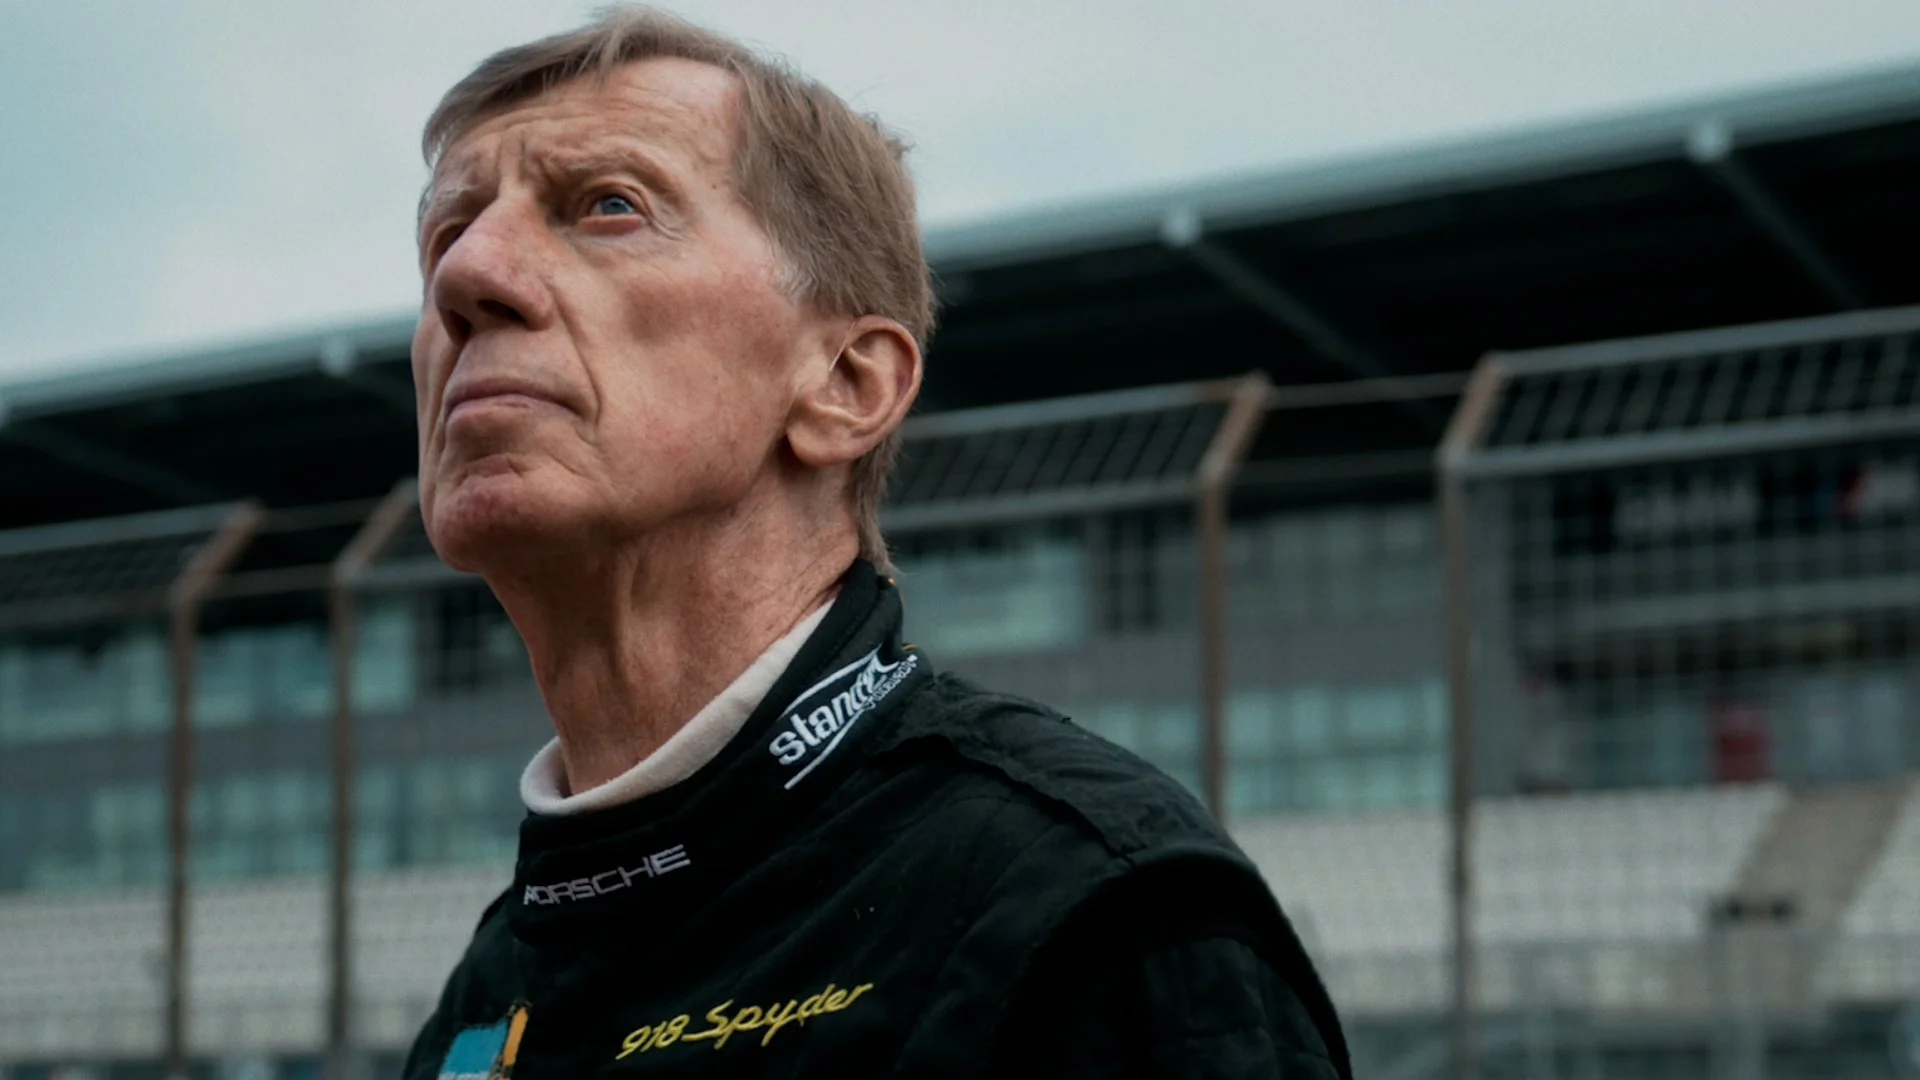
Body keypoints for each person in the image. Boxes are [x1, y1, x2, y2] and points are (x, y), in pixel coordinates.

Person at [402, 7, 1348, 1077]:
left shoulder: (1085, 909)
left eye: (609, 206)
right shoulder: (489, 990)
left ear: (848, 386)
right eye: (447, 231)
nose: (466, 276)